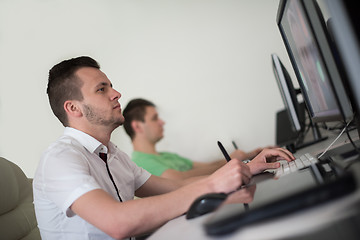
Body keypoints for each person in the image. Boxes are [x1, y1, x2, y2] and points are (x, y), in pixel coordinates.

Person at [33, 56, 295, 240]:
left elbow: (176, 187)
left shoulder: (113, 155)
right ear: (73, 108)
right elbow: (117, 223)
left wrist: (247, 168)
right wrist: (213, 186)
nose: (116, 94)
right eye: (102, 89)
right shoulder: (60, 159)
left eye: (111, 86)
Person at [123, 98, 278, 180]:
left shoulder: (166, 156)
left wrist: (249, 155)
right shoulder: (140, 163)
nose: (162, 122)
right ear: (137, 127)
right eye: (155, 118)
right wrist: (235, 163)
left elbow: (207, 167)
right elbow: (180, 180)